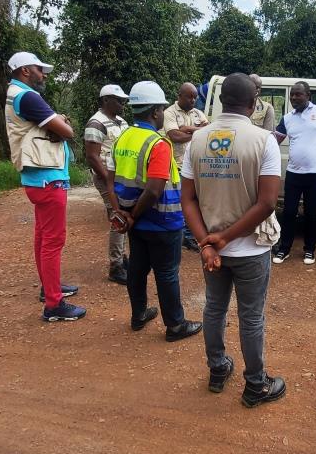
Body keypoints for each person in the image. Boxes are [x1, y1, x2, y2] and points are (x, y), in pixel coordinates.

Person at [180, 73, 286, 407]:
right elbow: (267, 202)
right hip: (251, 248)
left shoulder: (197, 140)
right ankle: (255, 385)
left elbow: (188, 199)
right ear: (253, 103)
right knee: (251, 317)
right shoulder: (263, 140)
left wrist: (207, 244)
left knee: (214, 310)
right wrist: (223, 239)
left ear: (221, 100)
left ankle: (217, 369)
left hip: (211, 251)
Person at [109, 81, 202, 342]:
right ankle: (175, 325)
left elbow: (113, 178)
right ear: (155, 112)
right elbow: (153, 190)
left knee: (138, 268)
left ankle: (138, 314)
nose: (163, 113)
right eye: (161, 109)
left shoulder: (123, 137)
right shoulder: (158, 144)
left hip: (134, 220)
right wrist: (134, 216)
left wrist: (124, 214)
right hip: (161, 220)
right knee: (167, 272)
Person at [4, 51, 85, 322]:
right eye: (40, 70)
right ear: (25, 70)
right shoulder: (27, 96)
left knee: (43, 237)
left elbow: (55, 126)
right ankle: (53, 304)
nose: (43, 75)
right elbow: (67, 131)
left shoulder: (16, 95)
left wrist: (58, 123)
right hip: (47, 178)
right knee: (53, 240)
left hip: (37, 178)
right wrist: (63, 124)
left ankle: (49, 287)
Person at [272, 81, 316, 266]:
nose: (294, 97)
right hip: (293, 173)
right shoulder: (287, 118)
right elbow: (274, 142)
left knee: (311, 213)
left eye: (298, 94)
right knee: (288, 212)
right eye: (292, 95)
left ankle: (310, 250)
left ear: (308, 95)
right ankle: (284, 248)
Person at [84, 84, 130, 284]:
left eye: (123, 100)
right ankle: (116, 266)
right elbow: (93, 157)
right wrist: (109, 181)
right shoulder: (96, 123)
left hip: (120, 176)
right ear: (105, 100)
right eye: (118, 100)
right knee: (118, 217)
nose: (122, 103)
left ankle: (122, 257)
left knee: (124, 214)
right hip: (106, 177)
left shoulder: (121, 122)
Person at [162, 83, 210, 252]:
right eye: (189, 96)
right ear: (179, 95)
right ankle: (183, 236)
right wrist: (198, 131)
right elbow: (174, 136)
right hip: (177, 165)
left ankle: (189, 235)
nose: (193, 100)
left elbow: (209, 133)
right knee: (181, 201)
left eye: (195, 97)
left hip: (197, 165)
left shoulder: (198, 113)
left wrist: (188, 129)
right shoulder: (169, 113)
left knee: (195, 201)